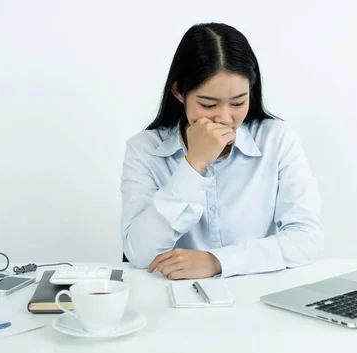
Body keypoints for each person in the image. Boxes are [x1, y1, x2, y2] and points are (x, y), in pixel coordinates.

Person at [119, 22, 323, 280]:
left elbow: (307, 240)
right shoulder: (144, 149)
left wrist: (217, 262)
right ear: (179, 92)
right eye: (208, 104)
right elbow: (139, 253)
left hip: (256, 295)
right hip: (174, 299)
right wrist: (193, 165)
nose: (225, 118)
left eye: (238, 102)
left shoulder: (277, 139)